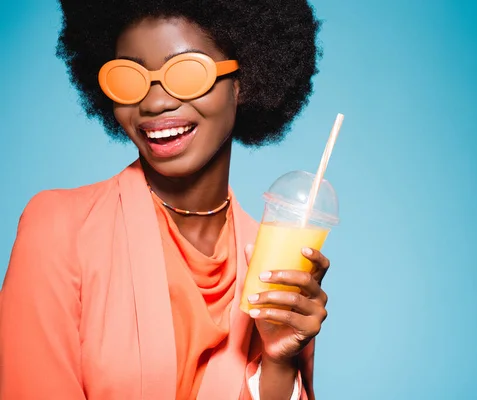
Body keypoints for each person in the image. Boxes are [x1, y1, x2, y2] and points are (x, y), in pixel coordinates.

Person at [0, 1, 331, 399]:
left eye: (188, 73)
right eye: (129, 77)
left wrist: (278, 362)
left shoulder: (277, 267)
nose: (154, 103)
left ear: (243, 81)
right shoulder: (60, 228)